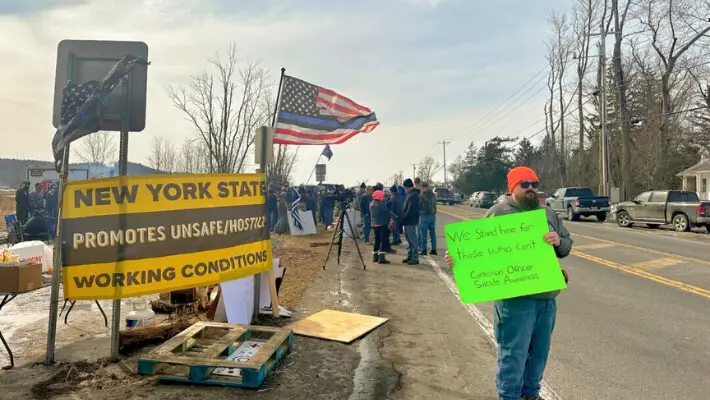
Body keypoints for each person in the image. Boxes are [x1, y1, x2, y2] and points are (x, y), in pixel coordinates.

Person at [444, 166, 572, 400]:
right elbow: (476, 252)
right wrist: (458, 259)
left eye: (534, 183)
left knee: (539, 354)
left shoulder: (547, 213)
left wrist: (558, 241)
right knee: (514, 354)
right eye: (524, 184)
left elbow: (566, 244)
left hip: (546, 298)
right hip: (515, 302)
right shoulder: (498, 213)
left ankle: (531, 394)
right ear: (512, 187)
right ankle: (509, 396)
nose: (531, 188)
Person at [401, 178, 420, 265]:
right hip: (408, 220)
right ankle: (410, 256)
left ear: (408, 187)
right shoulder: (411, 194)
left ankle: (415, 258)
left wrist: (404, 218)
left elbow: (410, 210)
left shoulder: (413, 195)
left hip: (410, 220)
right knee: (409, 239)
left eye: (405, 187)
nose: (405, 189)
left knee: (412, 239)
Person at [369, 190, 391, 264]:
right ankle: (381, 258)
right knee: (384, 240)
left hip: (374, 224)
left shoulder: (371, 204)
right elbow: (388, 213)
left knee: (377, 240)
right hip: (382, 225)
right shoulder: (381, 204)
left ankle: (375, 256)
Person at [418, 182, 437, 256]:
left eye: (422, 188)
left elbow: (419, 205)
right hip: (432, 216)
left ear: (423, 188)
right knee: (432, 233)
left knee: (423, 234)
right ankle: (434, 249)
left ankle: (424, 250)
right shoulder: (433, 195)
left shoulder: (422, 195)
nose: (421, 189)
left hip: (424, 216)